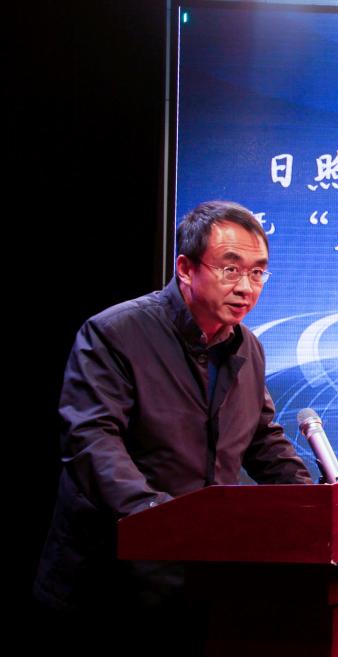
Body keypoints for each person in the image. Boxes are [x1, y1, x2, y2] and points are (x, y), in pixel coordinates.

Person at [33, 200, 313, 650]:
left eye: (258, 272)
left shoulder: (248, 348)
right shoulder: (115, 333)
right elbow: (92, 441)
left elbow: (262, 440)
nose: (246, 287)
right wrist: (162, 519)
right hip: (112, 584)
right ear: (185, 268)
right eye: (230, 270)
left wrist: (316, 506)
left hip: (202, 582)